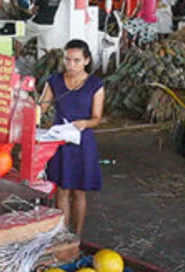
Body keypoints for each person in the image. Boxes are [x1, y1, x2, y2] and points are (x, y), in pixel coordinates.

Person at [39, 39, 104, 236]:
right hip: (59, 141)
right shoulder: (55, 81)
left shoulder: (95, 85)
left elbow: (96, 118)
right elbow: (40, 109)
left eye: (76, 60)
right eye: (67, 60)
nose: (71, 65)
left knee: (78, 191)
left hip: (82, 142)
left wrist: (85, 123)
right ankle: (62, 234)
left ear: (86, 60)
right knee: (61, 190)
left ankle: (77, 234)